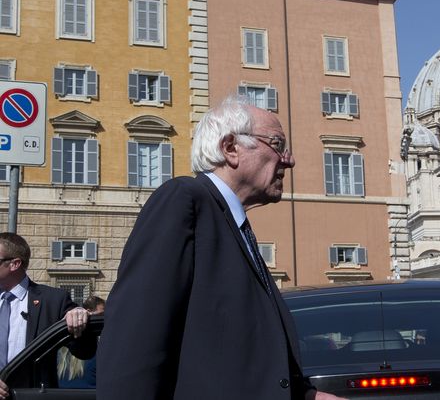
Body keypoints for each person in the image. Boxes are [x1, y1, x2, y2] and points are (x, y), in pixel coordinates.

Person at [97, 97, 342, 400]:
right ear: (230, 148)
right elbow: (133, 342)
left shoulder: (236, 228)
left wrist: (308, 396)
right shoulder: (184, 200)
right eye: (277, 144)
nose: (288, 160)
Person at [0, 233, 95, 398]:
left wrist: (80, 320)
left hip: (33, 395)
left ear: (14, 264)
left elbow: (85, 352)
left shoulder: (53, 300)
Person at [58, 296, 105, 389]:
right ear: (88, 312)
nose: (104, 318)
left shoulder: (62, 343)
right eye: (101, 314)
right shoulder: (99, 351)